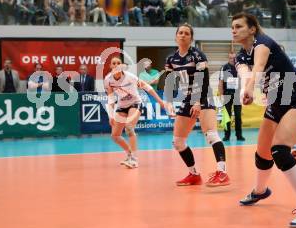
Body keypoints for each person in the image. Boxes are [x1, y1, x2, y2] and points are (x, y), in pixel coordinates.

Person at [231, 13, 296, 227]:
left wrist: (251, 88)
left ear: (252, 29)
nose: (234, 30)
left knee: (279, 150)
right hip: (275, 106)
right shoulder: (241, 55)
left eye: (239, 26)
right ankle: (260, 191)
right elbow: (245, 72)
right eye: (232, 27)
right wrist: (246, 88)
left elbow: (259, 68)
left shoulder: (264, 42)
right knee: (262, 153)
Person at [164, 23, 230, 187]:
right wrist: (169, 101)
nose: (183, 35)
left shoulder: (197, 55)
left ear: (191, 38)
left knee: (211, 134)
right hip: (186, 98)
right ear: (176, 36)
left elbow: (204, 80)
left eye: (187, 33)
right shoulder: (171, 59)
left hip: (203, 95)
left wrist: (198, 102)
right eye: (180, 32)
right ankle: (194, 174)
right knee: (178, 142)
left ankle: (222, 173)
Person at [104, 56, 169, 168]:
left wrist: (160, 101)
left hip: (135, 103)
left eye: (118, 63)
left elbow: (147, 87)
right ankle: (129, 153)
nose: (116, 65)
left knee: (129, 127)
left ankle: (134, 159)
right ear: (110, 66)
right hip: (121, 106)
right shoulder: (108, 80)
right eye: (113, 63)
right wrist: (111, 115)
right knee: (115, 136)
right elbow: (110, 98)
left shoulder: (130, 77)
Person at [218, 52, 244, 141]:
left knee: (238, 116)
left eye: (234, 58)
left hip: (238, 95)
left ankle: (239, 135)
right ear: (228, 58)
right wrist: (221, 95)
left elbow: (244, 80)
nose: (232, 59)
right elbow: (221, 82)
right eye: (230, 58)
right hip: (227, 95)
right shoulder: (224, 68)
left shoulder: (240, 68)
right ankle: (227, 135)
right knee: (227, 116)